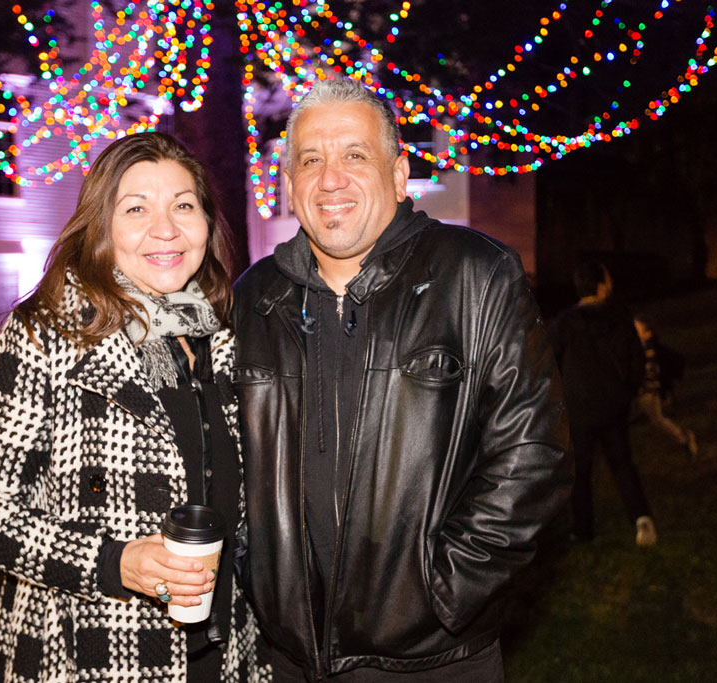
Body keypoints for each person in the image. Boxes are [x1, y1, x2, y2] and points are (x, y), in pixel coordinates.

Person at [232, 77, 570, 681]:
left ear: (397, 173)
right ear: (290, 182)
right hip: (288, 660)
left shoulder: (476, 275)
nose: (330, 179)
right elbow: (222, 459)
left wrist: (443, 594)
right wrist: (251, 573)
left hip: (433, 659)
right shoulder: (254, 298)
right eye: (310, 160)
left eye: (354, 155)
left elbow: (533, 454)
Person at [0, 132, 267, 682]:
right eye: (136, 208)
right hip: (88, 652)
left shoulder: (222, 337)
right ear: (102, 226)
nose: (165, 229)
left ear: (207, 223)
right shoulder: (48, 335)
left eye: (183, 206)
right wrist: (114, 562)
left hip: (224, 653)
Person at [549, 261, 657, 546]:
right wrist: (628, 391)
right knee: (622, 464)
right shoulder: (620, 318)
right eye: (608, 280)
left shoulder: (563, 324)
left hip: (579, 409)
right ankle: (641, 518)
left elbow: (548, 365)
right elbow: (636, 359)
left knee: (580, 471)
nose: (611, 285)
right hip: (614, 407)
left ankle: (583, 529)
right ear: (599, 285)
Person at [633, 314, 698, 458]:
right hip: (639, 393)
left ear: (647, 334)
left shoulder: (655, 351)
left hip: (650, 394)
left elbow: (677, 362)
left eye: (636, 330)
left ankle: (684, 438)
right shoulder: (634, 349)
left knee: (658, 420)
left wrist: (668, 388)